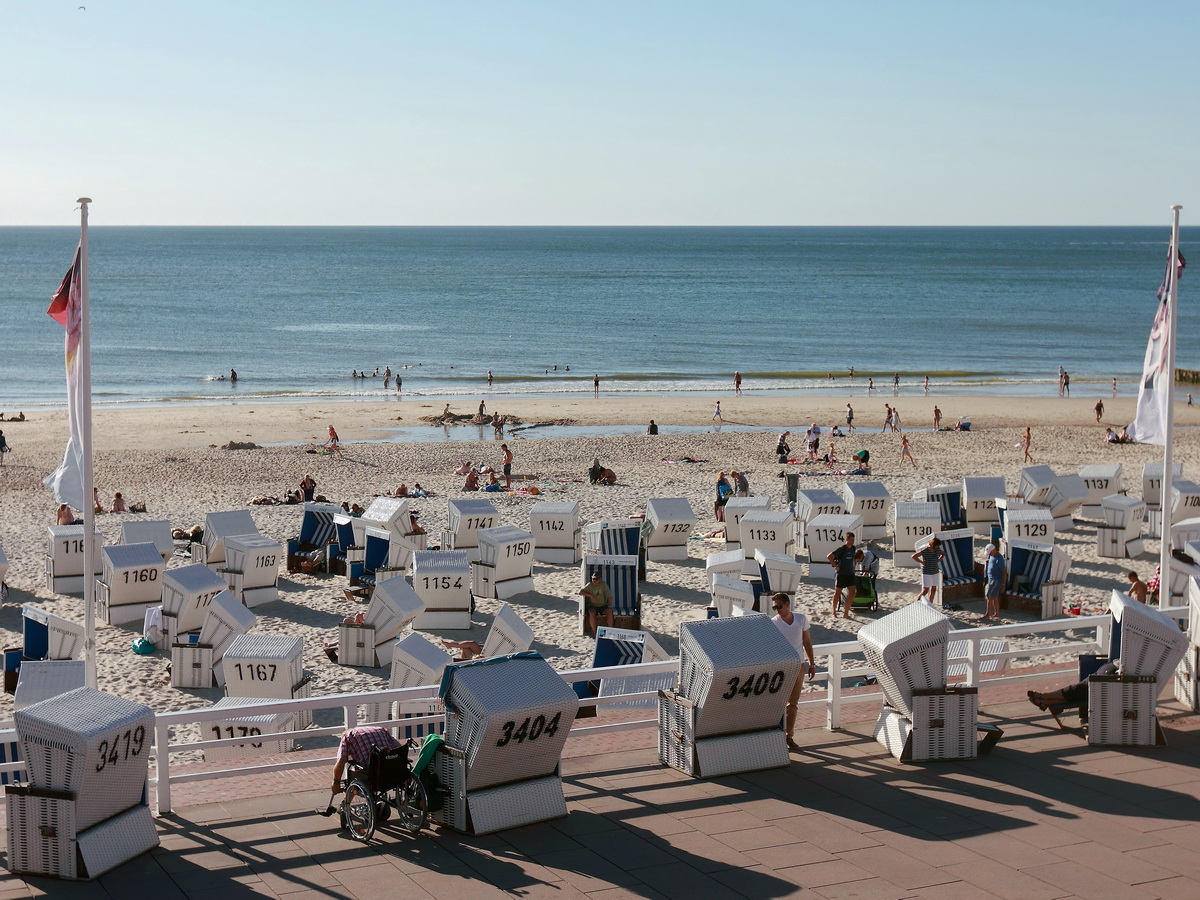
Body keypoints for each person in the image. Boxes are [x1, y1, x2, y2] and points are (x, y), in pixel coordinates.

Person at [770, 593, 815, 750]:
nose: (777, 610)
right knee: (777, 703)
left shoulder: (801, 619)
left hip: (799, 666)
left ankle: (789, 736)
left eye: (779, 606)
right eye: (774, 607)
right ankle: (775, 736)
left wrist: (812, 664)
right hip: (781, 667)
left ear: (787, 604)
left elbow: (807, 641)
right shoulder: (773, 623)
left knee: (793, 703)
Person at [330, 725, 401, 797]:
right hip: (393, 769)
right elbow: (399, 747)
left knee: (354, 775)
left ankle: (346, 803)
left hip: (372, 773)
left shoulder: (348, 736)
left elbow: (341, 761)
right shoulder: (381, 729)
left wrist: (336, 782)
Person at [1027, 662, 1118, 715]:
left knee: (1080, 690)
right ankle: (1046, 700)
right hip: (1109, 672)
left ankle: (1044, 697)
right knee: (1080, 690)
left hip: (1109, 677)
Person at [827, 531, 859, 618]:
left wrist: (853, 567)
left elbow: (853, 559)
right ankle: (833, 612)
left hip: (850, 574)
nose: (852, 541)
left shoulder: (853, 548)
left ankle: (846, 613)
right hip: (841, 574)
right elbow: (829, 556)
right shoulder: (842, 549)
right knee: (837, 593)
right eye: (851, 539)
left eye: (853, 539)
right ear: (847, 539)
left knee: (852, 593)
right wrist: (835, 565)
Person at [913, 537, 944, 605]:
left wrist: (939, 560)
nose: (938, 547)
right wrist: (922, 562)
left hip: (935, 571)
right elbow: (914, 556)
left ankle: (930, 604)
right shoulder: (925, 550)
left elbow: (943, 554)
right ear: (933, 544)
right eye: (937, 545)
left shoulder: (937, 550)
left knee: (933, 589)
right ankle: (917, 603)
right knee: (925, 590)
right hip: (926, 572)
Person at [984, 543, 1006, 620]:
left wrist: (1003, 584)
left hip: (996, 580)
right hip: (991, 579)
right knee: (994, 597)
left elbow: (1004, 572)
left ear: (994, 550)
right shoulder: (992, 556)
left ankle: (987, 614)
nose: (989, 554)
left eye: (990, 552)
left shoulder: (999, 559)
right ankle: (996, 613)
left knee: (989, 597)